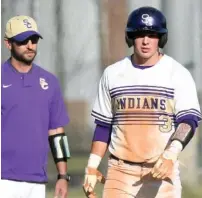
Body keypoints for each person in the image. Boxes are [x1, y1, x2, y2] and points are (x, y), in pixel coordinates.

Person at [83, 6, 202, 198]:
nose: (146, 41)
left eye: (152, 35)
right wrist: (91, 166)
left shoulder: (177, 73)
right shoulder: (113, 74)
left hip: (161, 171)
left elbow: (188, 120)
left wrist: (171, 154)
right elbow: (103, 125)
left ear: (161, 38)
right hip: (120, 172)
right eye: (140, 35)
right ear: (131, 37)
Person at [1, 15, 71, 198]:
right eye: (23, 41)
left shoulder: (50, 82)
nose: (30, 45)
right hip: (3, 179)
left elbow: (57, 132)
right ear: (8, 44)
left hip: (37, 180)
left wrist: (63, 175)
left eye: (34, 40)